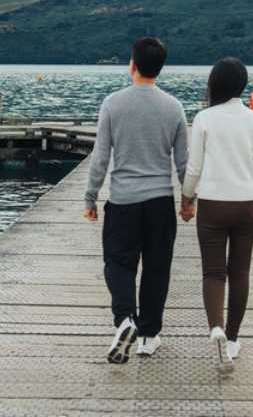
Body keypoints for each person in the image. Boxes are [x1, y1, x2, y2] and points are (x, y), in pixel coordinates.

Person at [83, 37, 189, 364]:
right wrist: (188, 201)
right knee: (157, 268)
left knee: (118, 263)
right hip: (160, 202)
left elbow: (100, 157)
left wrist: (91, 196)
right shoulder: (174, 107)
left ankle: (125, 319)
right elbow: (185, 164)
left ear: (132, 64)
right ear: (160, 67)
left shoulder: (112, 104)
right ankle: (148, 336)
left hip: (123, 202)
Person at [179, 57, 253, 372]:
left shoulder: (204, 118)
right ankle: (231, 340)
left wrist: (187, 197)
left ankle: (215, 327)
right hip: (247, 204)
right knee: (240, 273)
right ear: (242, 85)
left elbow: (194, 167)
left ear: (214, 83)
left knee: (213, 273)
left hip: (214, 204)